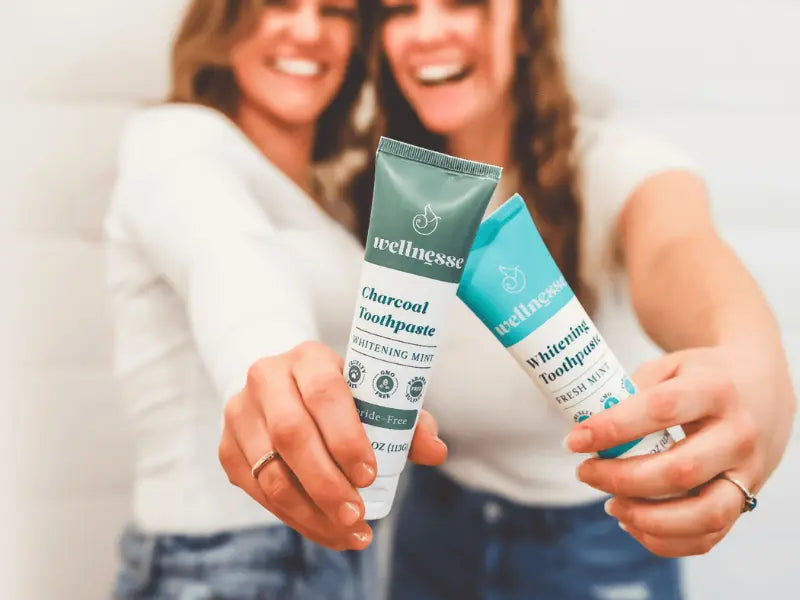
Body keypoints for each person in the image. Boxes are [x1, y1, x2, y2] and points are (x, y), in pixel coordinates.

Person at [219, 1, 797, 599]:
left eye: (463, 3)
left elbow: (678, 250)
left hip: (595, 539)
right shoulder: (369, 188)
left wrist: (752, 357)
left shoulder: (614, 165)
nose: (428, 30)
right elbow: (241, 267)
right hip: (432, 531)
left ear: (526, 24)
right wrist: (265, 377)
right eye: (400, 10)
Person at [103, 1, 387, 598]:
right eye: (278, 2)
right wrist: (273, 367)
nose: (308, 30)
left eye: (335, 11)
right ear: (224, 18)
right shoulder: (174, 141)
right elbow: (227, 254)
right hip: (227, 560)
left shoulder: (332, 196)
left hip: (332, 552)